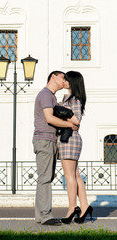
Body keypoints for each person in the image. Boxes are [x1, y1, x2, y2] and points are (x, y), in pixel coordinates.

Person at [32, 71, 79, 226]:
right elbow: (49, 118)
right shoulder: (46, 95)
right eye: (62, 77)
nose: (64, 80)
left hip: (48, 140)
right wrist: (70, 125)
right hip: (44, 140)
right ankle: (45, 216)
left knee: (45, 178)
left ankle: (41, 216)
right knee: (45, 178)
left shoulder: (51, 97)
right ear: (53, 77)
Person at [57, 71, 93, 224]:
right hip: (68, 138)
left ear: (72, 82)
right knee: (75, 175)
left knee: (69, 175)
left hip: (69, 139)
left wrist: (62, 111)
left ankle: (72, 208)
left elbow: (76, 120)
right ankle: (84, 206)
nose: (63, 81)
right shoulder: (69, 98)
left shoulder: (75, 99)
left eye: (66, 79)